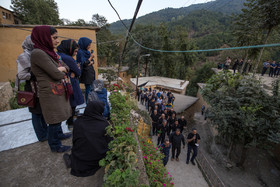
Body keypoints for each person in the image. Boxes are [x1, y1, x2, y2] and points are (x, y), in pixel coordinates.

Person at [31, 26, 72, 152]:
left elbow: (66, 67)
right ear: (44, 38)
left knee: (59, 116)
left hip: (57, 89)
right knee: (54, 118)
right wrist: (61, 70)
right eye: (54, 38)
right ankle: (55, 145)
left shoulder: (51, 53)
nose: (57, 41)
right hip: (50, 92)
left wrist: (62, 69)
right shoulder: (38, 53)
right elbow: (57, 74)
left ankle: (59, 135)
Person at [63, 100, 111, 177]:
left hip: (79, 156)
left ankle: (75, 160)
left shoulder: (78, 122)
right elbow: (109, 142)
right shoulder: (104, 124)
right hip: (95, 159)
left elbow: (75, 140)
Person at [17, 35, 48, 142]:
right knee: (36, 113)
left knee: (42, 111)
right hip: (32, 88)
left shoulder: (37, 55)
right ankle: (41, 136)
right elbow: (21, 75)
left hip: (41, 87)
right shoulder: (24, 57)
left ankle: (46, 131)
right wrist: (35, 74)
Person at [57, 39, 84, 127]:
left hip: (63, 82)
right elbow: (78, 72)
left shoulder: (59, 55)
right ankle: (70, 121)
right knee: (73, 102)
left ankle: (69, 119)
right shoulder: (68, 58)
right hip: (71, 82)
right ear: (69, 48)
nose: (76, 53)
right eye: (75, 51)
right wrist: (76, 69)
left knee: (69, 101)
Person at [77, 37, 95, 103]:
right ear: (84, 44)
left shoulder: (87, 52)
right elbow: (84, 63)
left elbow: (91, 61)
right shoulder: (80, 52)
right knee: (88, 88)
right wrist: (90, 58)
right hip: (86, 73)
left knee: (91, 87)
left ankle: (90, 102)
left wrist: (91, 61)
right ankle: (88, 103)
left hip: (90, 72)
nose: (89, 46)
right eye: (88, 45)